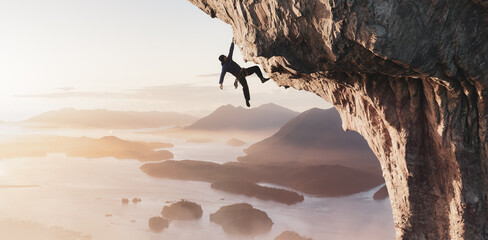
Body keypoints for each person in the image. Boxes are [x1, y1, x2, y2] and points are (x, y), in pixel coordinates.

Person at [218, 39, 269, 107]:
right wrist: (221, 83)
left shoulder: (229, 59)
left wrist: (232, 42)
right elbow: (222, 74)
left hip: (243, 71)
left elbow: (231, 50)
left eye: (225, 56)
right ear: (223, 60)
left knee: (256, 68)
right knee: (245, 87)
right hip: (239, 76)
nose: (226, 56)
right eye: (224, 57)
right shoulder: (224, 67)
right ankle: (247, 100)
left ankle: (262, 79)